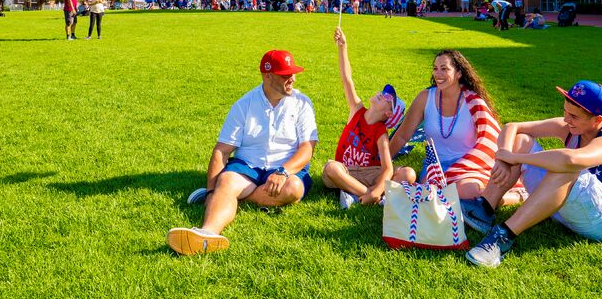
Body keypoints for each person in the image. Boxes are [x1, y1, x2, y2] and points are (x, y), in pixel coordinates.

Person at [461, 80, 602, 268]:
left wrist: (516, 158)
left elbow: (570, 161)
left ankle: (502, 237)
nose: (566, 119)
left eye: (574, 116)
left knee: (567, 168)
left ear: (597, 120)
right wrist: (503, 157)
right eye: (566, 112)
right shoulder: (571, 126)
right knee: (522, 140)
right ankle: (485, 208)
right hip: (573, 208)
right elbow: (512, 127)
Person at [168, 50, 318, 256]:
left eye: (293, 73)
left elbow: (307, 149)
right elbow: (222, 150)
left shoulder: (302, 103)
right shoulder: (244, 105)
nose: (292, 78)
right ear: (268, 76)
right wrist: (212, 189)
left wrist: (283, 171)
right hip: (248, 165)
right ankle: (207, 234)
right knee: (227, 181)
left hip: (287, 167)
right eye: (285, 74)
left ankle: (230, 198)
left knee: (293, 189)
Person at [387, 50, 518, 204]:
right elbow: (403, 135)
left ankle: (515, 196)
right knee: (433, 193)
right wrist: (382, 163)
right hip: (434, 166)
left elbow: (492, 137)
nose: (438, 74)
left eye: (444, 68)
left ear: (458, 73)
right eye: (435, 68)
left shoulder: (473, 102)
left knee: (467, 191)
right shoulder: (425, 98)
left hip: (468, 165)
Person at [323, 28, 404, 209]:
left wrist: (376, 187)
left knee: (408, 174)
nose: (382, 94)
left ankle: (357, 194)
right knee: (331, 168)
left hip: (370, 173)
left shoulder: (381, 133)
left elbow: (387, 168)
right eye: (383, 92)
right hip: (345, 170)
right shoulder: (356, 110)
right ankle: (369, 196)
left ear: (389, 114)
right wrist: (343, 47)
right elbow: (347, 79)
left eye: (388, 98)